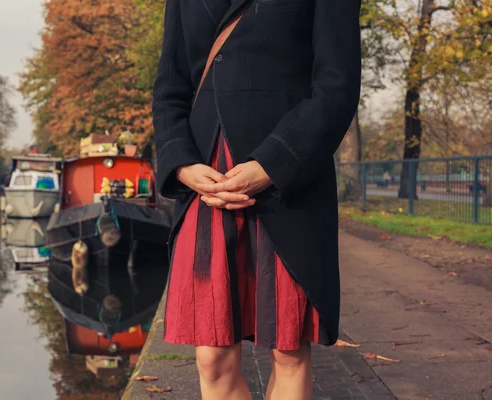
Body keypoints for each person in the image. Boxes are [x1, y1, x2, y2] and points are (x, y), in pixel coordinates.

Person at [152, 0, 361, 398]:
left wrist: (273, 164)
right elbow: (169, 88)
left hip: (287, 184)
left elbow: (337, 85)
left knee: (288, 350)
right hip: (207, 184)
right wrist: (181, 165)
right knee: (211, 357)